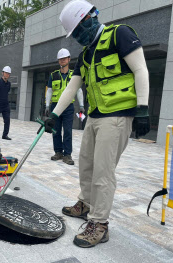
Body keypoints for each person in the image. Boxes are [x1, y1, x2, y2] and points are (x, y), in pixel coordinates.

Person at [44, 0, 150, 248]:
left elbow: (141, 70)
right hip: (95, 115)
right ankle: (86, 204)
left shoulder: (120, 34)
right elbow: (73, 86)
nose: (79, 37)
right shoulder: (86, 54)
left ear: (89, 18)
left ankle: (99, 224)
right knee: (87, 164)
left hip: (118, 115)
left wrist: (143, 109)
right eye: (75, 34)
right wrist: (55, 114)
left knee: (103, 171)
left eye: (79, 30)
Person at [45, 48, 85, 165]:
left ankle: (67, 154)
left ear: (68, 59)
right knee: (55, 131)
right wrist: (47, 106)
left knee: (67, 131)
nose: (62, 60)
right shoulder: (53, 75)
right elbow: (49, 91)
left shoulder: (74, 75)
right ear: (58, 61)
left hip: (68, 107)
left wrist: (81, 105)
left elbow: (78, 91)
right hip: (55, 107)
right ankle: (58, 152)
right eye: (60, 59)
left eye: (64, 58)